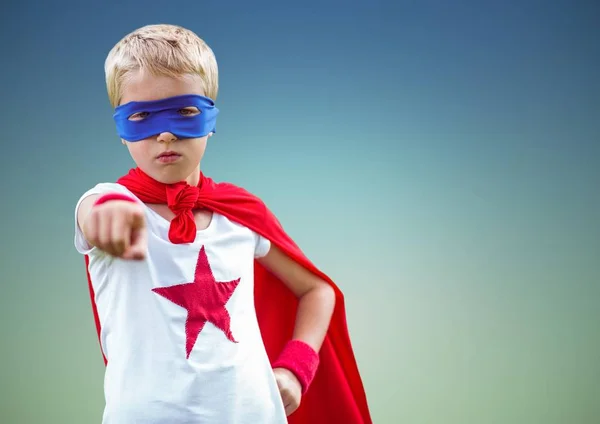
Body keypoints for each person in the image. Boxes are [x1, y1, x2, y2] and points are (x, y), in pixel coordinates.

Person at [74, 24, 371, 424]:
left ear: (211, 118)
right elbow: (94, 211)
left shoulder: (239, 213)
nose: (165, 133)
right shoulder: (113, 202)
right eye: (142, 116)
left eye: (185, 112)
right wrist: (105, 211)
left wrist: (296, 368)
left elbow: (318, 290)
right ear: (120, 130)